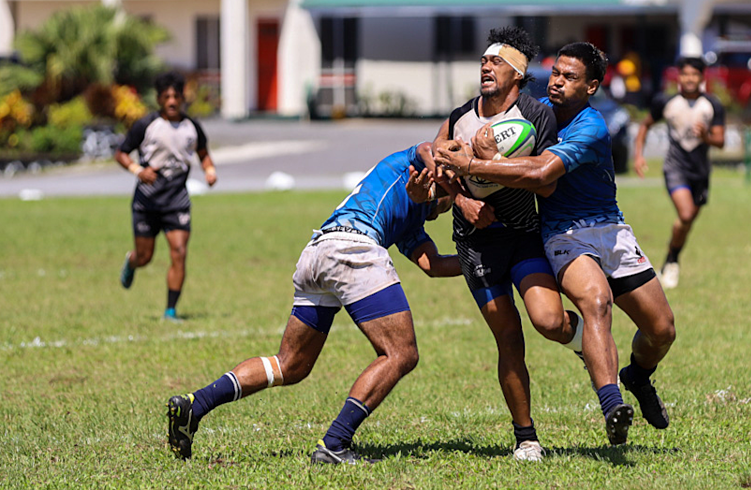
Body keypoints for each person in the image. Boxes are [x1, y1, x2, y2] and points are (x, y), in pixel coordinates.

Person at [436, 42, 676, 445]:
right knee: (596, 302)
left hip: (610, 229)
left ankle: (637, 375)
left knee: (662, 329)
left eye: (570, 77)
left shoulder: (591, 126)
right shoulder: (532, 114)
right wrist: (457, 185)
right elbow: (450, 137)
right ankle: (612, 404)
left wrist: (477, 165)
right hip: (562, 232)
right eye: (556, 73)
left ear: (591, 86)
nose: (557, 82)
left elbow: (542, 173)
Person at [165, 143, 460, 464]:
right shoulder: (405, 166)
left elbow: (434, 265)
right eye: (449, 200)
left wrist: (487, 261)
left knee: (290, 364)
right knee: (401, 353)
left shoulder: (412, 220)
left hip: (318, 251)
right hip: (352, 247)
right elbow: (428, 148)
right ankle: (335, 443)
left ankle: (195, 405)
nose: (444, 209)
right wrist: (455, 188)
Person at [433, 26, 581, 461]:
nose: (485, 66)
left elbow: (547, 184)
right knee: (508, 337)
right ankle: (526, 438)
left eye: (496, 61)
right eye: (483, 60)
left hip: (522, 235)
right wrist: (462, 200)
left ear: (517, 73)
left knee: (549, 321)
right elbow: (438, 170)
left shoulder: (537, 116)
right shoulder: (460, 117)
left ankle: (584, 342)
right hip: (475, 243)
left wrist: (487, 164)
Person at [115, 71, 217, 321]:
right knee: (145, 257)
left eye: (176, 96)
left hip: (176, 201)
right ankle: (132, 261)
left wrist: (209, 170)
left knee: (179, 253)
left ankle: (170, 311)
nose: (172, 101)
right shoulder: (146, 125)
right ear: (159, 99)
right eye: (166, 97)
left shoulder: (192, 127)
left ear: (182, 98)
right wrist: (138, 170)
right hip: (147, 201)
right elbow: (121, 153)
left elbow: (203, 153)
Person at [633, 56, 725, 289]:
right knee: (685, 215)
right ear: (679, 76)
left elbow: (720, 141)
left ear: (702, 77)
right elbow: (645, 125)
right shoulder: (666, 101)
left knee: (687, 222)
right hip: (675, 167)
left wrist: (705, 137)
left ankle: (671, 258)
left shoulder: (712, 104)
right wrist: (638, 155)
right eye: (685, 74)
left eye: (694, 74)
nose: (690, 79)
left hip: (700, 172)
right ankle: (672, 261)